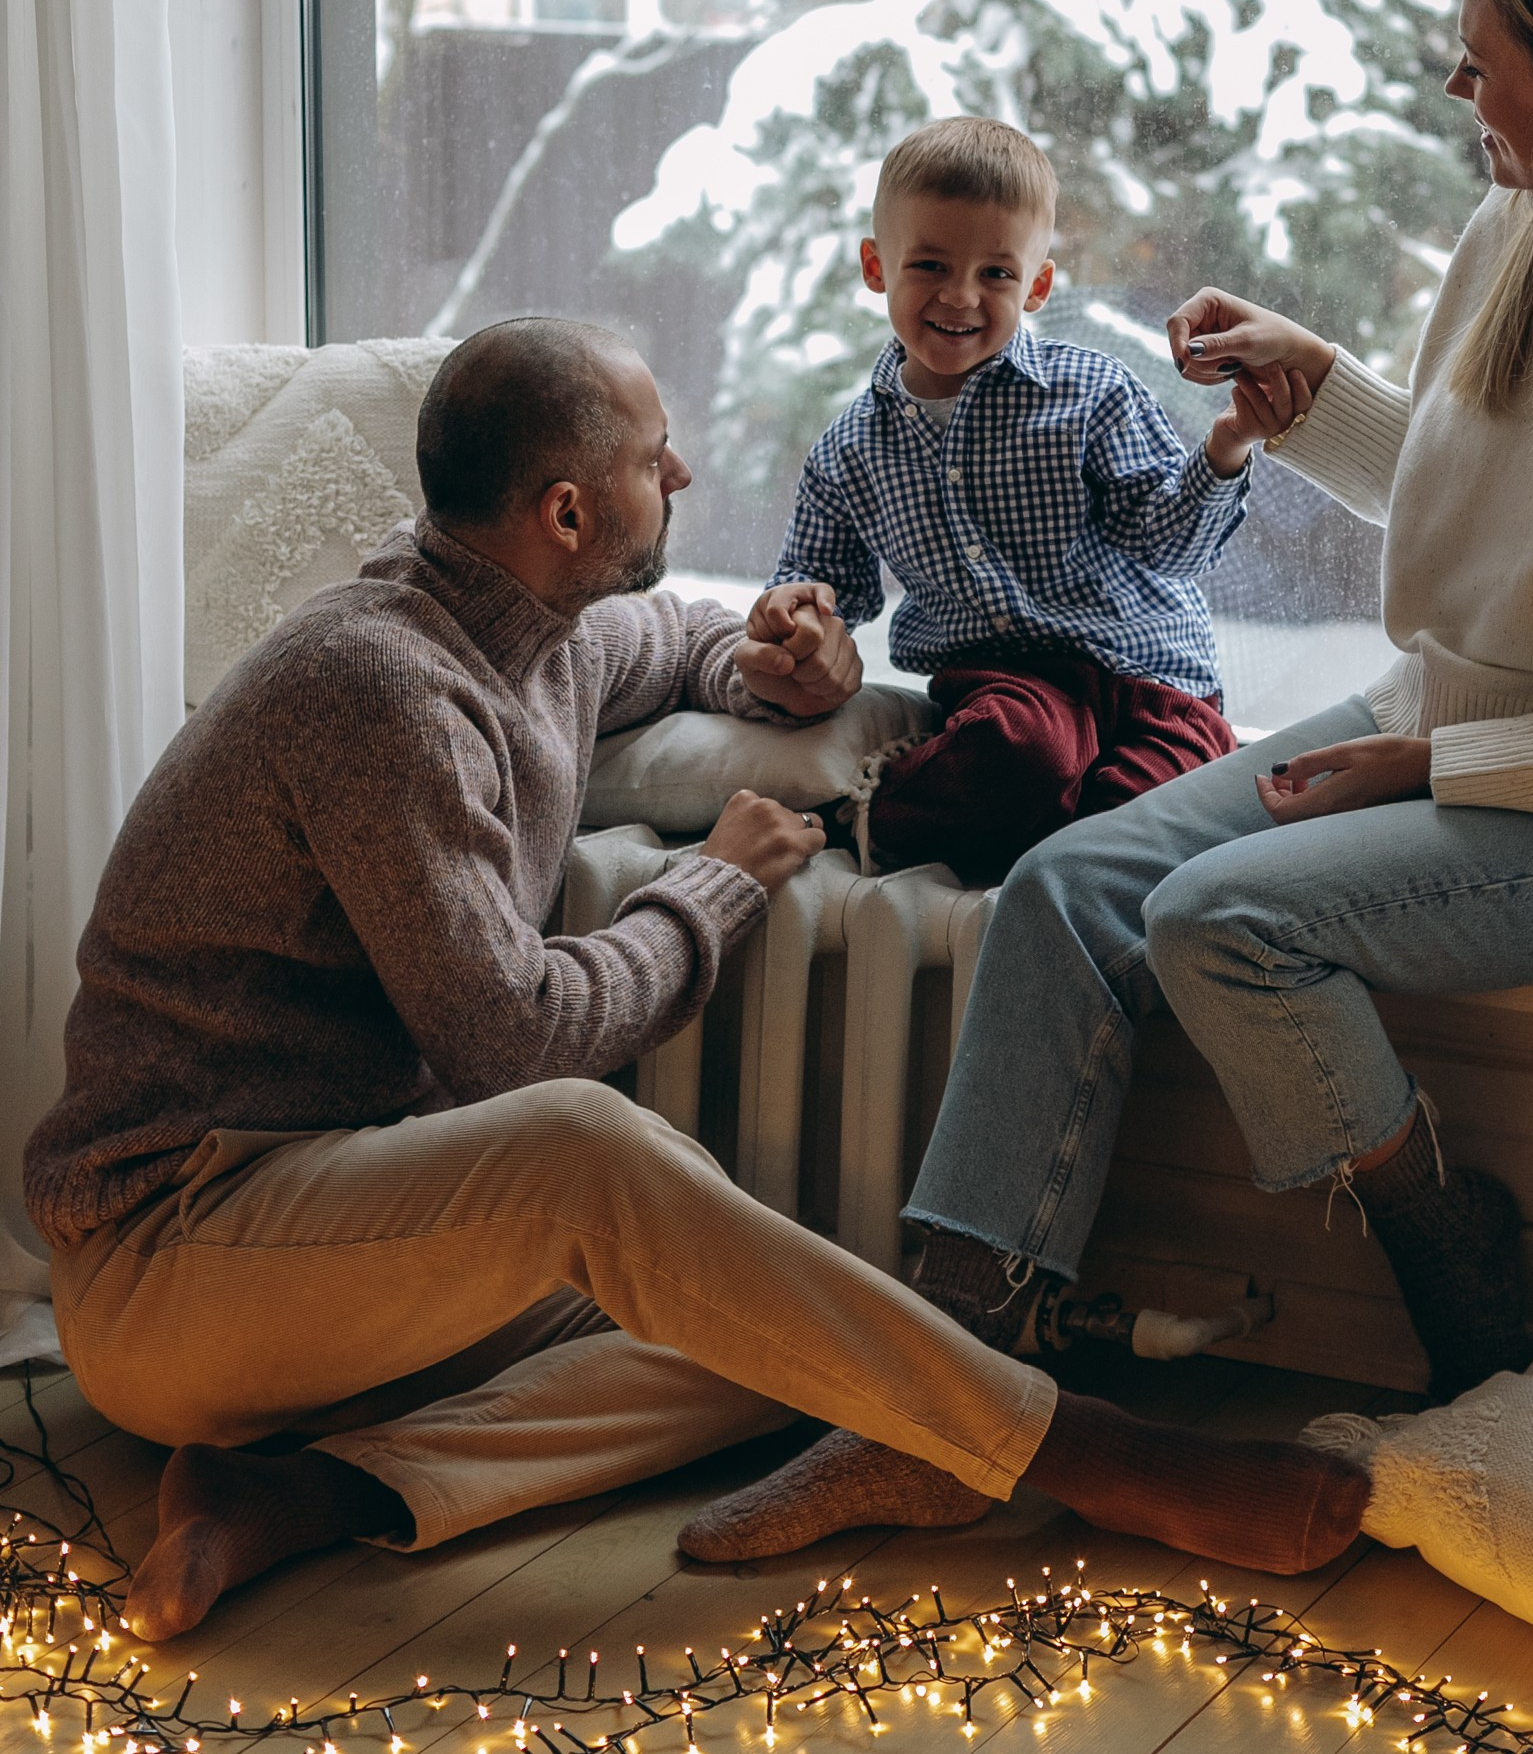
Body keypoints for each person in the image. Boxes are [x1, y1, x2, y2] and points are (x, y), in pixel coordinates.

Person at [706, 0, 1533, 1559]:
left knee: (1221, 921)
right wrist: (1312, 394)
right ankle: (944, 1399)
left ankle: (1449, 1267)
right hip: (1459, 724)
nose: (1457, 96)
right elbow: (1500, 509)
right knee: (1070, 888)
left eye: (1481, 68)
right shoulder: (1521, 232)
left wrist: (1433, 761)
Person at [24, 316, 1366, 1637]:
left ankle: (304, 1496)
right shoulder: (377, 688)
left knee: (779, 1325)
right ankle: (1088, 1456)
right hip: (175, 1260)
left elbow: (668, 641)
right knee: (581, 1143)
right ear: (562, 511)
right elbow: (512, 1041)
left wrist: (772, 658)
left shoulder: (530, 626)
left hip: (338, 1236)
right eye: (653, 457)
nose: (680, 477)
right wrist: (712, 885)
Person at [754, 117, 1291, 887]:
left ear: (1037, 285)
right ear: (877, 267)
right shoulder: (851, 449)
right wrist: (797, 616)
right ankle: (868, 817)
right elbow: (816, 581)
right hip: (1008, 689)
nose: (960, 296)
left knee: (1140, 827)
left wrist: (1227, 445)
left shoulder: (1094, 392)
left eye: (997, 275)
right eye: (930, 265)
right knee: (1021, 751)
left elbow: (1173, 546)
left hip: (1156, 680)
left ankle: (1050, 867)